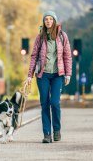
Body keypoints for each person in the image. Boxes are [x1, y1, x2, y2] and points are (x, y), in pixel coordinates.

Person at [26, 11, 72, 143]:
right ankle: (47, 134)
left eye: (51, 19)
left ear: (55, 21)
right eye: (46, 19)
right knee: (44, 104)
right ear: (43, 22)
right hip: (43, 75)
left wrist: (68, 74)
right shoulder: (40, 37)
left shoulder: (62, 36)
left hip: (58, 75)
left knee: (55, 103)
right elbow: (34, 56)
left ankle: (57, 130)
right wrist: (30, 75)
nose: (48, 21)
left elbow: (67, 56)